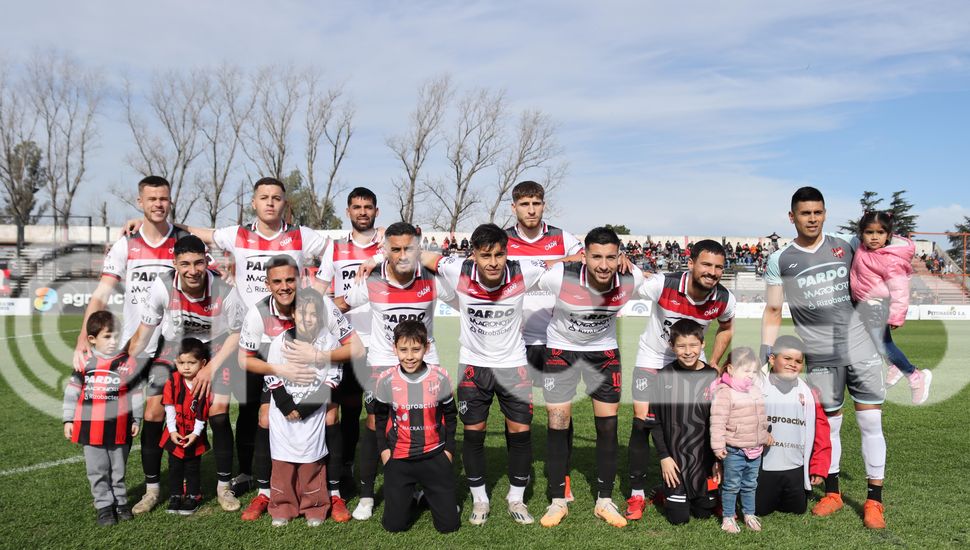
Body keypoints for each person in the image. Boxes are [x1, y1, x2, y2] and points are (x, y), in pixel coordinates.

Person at [762, 186, 888, 529]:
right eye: (805, 213)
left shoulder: (847, 244)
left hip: (862, 349)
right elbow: (774, 308)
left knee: (870, 423)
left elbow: (887, 252)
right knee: (829, 426)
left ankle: (874, 501)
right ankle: (832, 493)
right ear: (792, 217)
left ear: (825, 213)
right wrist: (765, 352)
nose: (812, 218)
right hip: (820, 356)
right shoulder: (780, 259)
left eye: (817, 212)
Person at [433, 223, 574, 526]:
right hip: (473, 366)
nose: (493, 262)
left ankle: (516, 498)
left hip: (514, 366)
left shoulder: (524, 269)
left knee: (520, 435)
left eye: (499, 254)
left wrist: (587, 256)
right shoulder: (457, 268)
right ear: (473, 255)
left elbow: (559, 261)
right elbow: (423, 256)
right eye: (486, 255)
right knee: (473, 436)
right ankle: (480, 500)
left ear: (507, 253)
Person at [74, 176, 192, 515]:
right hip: (131, 347)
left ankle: (166, 486)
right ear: (140, 202)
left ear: (171, 201)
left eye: (164, 198)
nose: (158, 204)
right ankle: (117, 490)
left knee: (168, 414)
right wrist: (84, 337)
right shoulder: (126, 244)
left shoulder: (182, 240)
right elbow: (101, 293)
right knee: (119, 420)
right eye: (151, 199)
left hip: (171, 345)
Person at [335, 222, 450, 521]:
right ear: (385, 250)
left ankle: (427, 486)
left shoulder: (433, 278)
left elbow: (469, 287)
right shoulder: (371, 277)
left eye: (408, 249)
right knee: (375, 424)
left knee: (431, 421)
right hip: (384, 362)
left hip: (427, 360)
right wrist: (307, 306)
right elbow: (342, 305)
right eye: (395, 249)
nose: (402, 255)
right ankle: (367, 494)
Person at [535, 227, 643, 528]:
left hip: (604, 355)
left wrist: (632, 265)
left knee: (607, 429)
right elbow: (534, 271)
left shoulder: (631, 279)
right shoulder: (560, 277)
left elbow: (652, 284)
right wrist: (564, 259)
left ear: (620, 257)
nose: (604, 265)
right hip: (561, 353)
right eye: (596, 257)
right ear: (584, 256)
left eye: (611, 257)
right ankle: (557, 501)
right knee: (558, 426)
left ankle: (604, 501)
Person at [626, 239, 736, 520]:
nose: (712, 272)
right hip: (654, 359)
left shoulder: (724, 298)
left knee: (699, 422)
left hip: (691, 361)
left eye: (718, 267)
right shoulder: (664, 284)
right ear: (691, 263)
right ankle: (637, 494)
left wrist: (713, 362)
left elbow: (726, 327)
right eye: (706, 264)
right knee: (644, 420)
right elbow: (630, 281)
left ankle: (692, 482)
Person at [503, 180, 583, 500]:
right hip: (515, 341)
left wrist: (557, 262)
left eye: (536, 203)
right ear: (514, 208)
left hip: (556, 337)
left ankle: (560, 475)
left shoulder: (561, 237)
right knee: (517, 412)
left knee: (560, 411)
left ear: (543, 205)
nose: (531, 209)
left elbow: (585, 258)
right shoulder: (504, 240)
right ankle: (518, 475)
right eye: (525, 204)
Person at [264, 290, 361, 527]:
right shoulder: (281, 341)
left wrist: (306, 408)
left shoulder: (328, 342)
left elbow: (333, 378)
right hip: (283, 413)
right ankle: (282, 505)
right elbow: (271, 373)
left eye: (313, 314)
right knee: (282, 464)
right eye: (301, 313)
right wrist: (286, 404)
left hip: (312, 412)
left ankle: (315, 506)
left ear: (320, 317)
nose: (307, 318)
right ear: (292, 314)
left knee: (312, 462)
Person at [316, 187, 383, 501]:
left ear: (376, 212)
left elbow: (410, 249)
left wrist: (378, 255)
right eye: (356, 207)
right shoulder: (335, 249)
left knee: (366, 410)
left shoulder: (387, 244)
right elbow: (318, 291)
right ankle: (339, 469)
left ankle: (362, 467)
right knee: (336, 409)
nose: (362, 212)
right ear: (348, 211)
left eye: (368, 207)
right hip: (343, 340)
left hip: (379, 342)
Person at [374, 321, 460, 534]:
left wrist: (448, 450)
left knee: (449, 526)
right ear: (395, 349)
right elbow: (380, 419)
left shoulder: (440, 377)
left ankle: (429, 494)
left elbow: (450, 416)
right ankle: (409, 494)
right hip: (400, 460)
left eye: (416, 349)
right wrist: (385, 453)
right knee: (394, 526)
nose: (409, 356)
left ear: (426, 348)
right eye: (403, 350)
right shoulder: (385, 380)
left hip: (434, 456)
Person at [63, 311, 143, 526]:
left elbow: (136, 393)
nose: (113, 341)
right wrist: (68, 419)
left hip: (120, 427)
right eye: (107, 337)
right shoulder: (85, 361)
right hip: (90, 428)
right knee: (97, 470)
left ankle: (121, 502)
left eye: (116, 336)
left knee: (118, 469)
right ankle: (103, 506)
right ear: (92, 339)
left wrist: (136, 419)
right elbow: (72, 392)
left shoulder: (128, 362)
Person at [850, 210, 932, 404]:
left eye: (880, 233)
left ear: (889, 235)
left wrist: (896, 316)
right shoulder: (863, 248)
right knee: (873, 341)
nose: (874, 237)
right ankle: (894, 366)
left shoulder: (890, 259)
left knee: (883, 344)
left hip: (877, 306)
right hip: (864, 305)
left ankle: (914, 376)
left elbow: (900, 290)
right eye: (869, 232)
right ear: (862, 234)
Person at [645, 319, 720, 525]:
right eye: (681, 346)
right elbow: (655, 421)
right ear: (672, 346)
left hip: (703, 461)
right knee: (679, 519)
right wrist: (664, 457)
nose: (688, 351)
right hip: (674, 461)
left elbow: (719, 421)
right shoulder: (663, 376)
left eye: (693, 345)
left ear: (703, 344)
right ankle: (665, 492)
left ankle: (690, 493)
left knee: (704, 513)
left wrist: (716, 461)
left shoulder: (712, 376)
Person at [756, 335, 832, 517]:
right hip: (764, 465)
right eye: (787, 358)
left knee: (798, 509)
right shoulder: (757, 386)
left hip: (795, 466)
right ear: (772, 359)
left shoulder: (809, 393)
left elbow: (822, 431)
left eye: (798, 361)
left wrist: (818, 467)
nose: (793, 364)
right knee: (759, 509)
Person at [710, 347, 772, 534]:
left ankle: (749, 514)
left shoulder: (755, 390)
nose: (750, 375)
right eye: (745, 371)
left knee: (750, 484)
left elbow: (760, 418)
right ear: (730, 369)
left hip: (755, 449)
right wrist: (718, 446)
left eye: (753, 371)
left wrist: (765, 435)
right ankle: (728, 517)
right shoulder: (725, 392)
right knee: (731, 485)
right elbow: (717, 422)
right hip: (735, 450)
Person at [161, 338, 212, 515]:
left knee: (192, 466)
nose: (186, 367)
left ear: (203, 363)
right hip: (175, 432)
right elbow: (169, 407)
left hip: (193, 435)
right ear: (176, 362)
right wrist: (172, 431)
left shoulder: (203, 382)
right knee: (174, 465)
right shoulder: (172, 381)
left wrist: (196, 434)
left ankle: (193, 495)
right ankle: (175, 495)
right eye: (182, 363)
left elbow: (202, 411)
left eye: (192, 362)